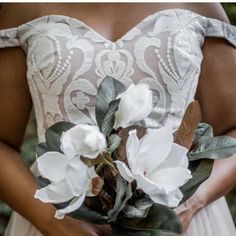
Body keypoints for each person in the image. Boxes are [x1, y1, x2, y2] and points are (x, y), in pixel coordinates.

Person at [0, 2, 236, 236]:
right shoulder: (23, 8)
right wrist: (51, 221)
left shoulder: (201, 6)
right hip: (60, 220)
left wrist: (190, 204)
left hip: (179, 225)